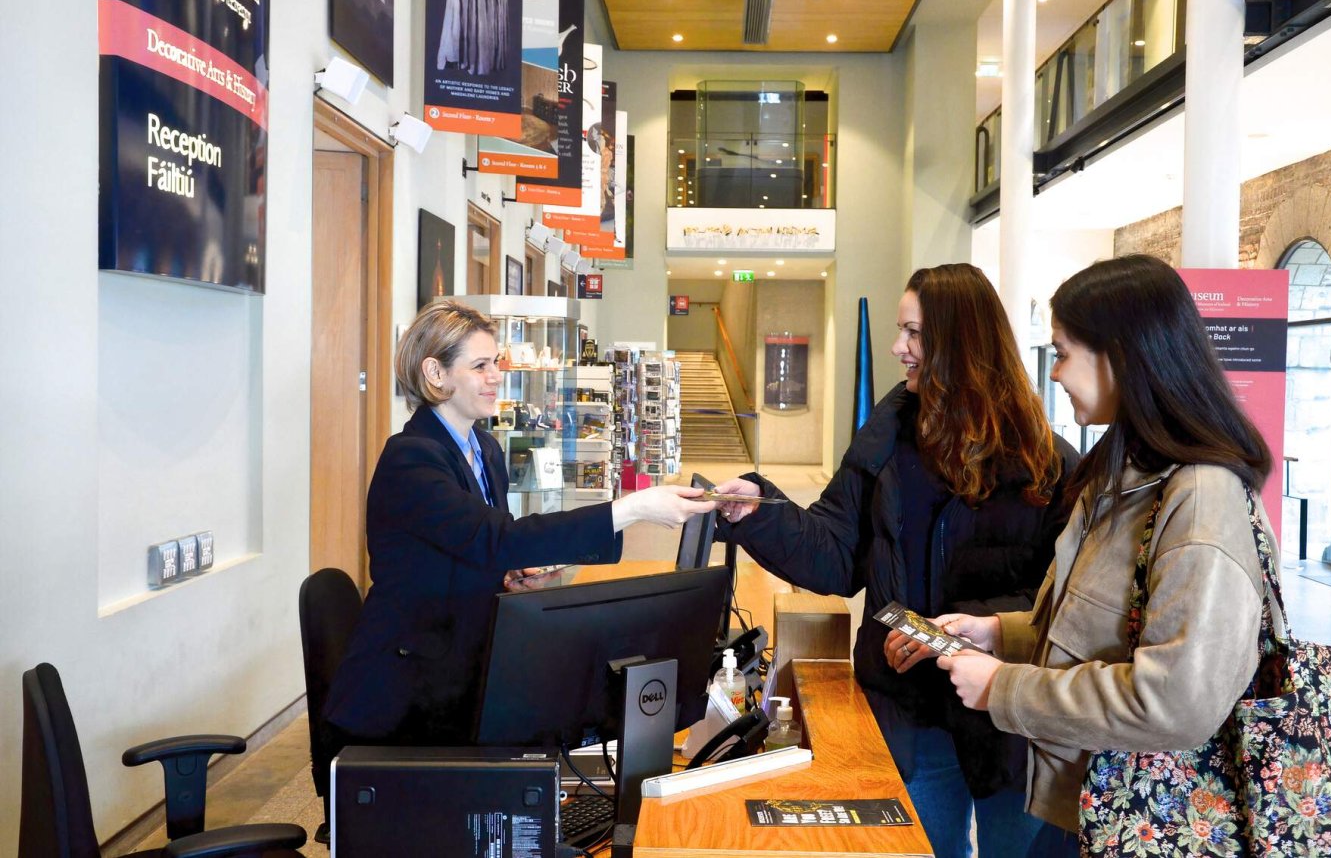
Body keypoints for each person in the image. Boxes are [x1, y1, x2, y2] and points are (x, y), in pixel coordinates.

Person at [713, 264, 1078, 858]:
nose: (897, 347)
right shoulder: (886, 437)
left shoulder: (1047, 463)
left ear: (960, 342)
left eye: (913, 333)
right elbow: (834, 555)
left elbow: (1065, 602)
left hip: (1016, 720)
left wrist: (979, 631)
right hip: (911, 714)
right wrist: (760, 510)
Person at [934, 255, 1276, 855]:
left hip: (1149, 820)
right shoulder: (1127, 476)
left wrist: (1003, 689)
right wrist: (1002, 634)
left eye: (1064, 351)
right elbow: (1113, 628)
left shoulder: (1200, 497)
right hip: (1090, 802)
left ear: (1120, 354)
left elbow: (1175, 700)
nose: (1057, 372)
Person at [325, 300, 714, 746]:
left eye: (496, 362)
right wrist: (632, 509)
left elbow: (477, 544)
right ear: (436, 374)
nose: (497, 376)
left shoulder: (484, 449)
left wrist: (510, 571)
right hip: (409, 688)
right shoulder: (410, 458)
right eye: (481, 366)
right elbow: (496, 537)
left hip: (464, 654)